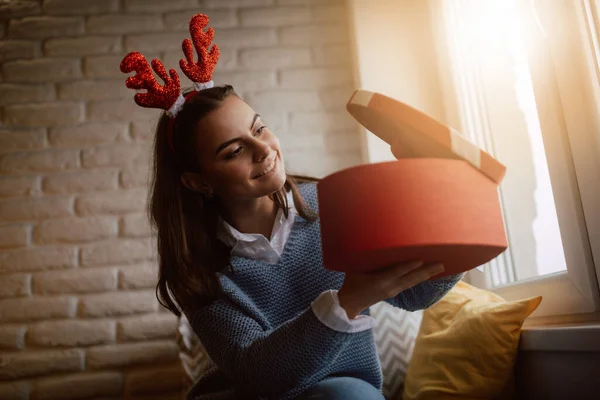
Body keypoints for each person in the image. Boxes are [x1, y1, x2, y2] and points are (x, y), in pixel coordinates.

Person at [120, 13, 462, 400]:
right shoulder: (195, 268)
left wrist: (461, 227)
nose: (265, 149)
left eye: (259, 128)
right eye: (235, 150)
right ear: (198, 182)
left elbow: (415, 294)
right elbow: (257, 373)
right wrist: (348, 300)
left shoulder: (333, 207)